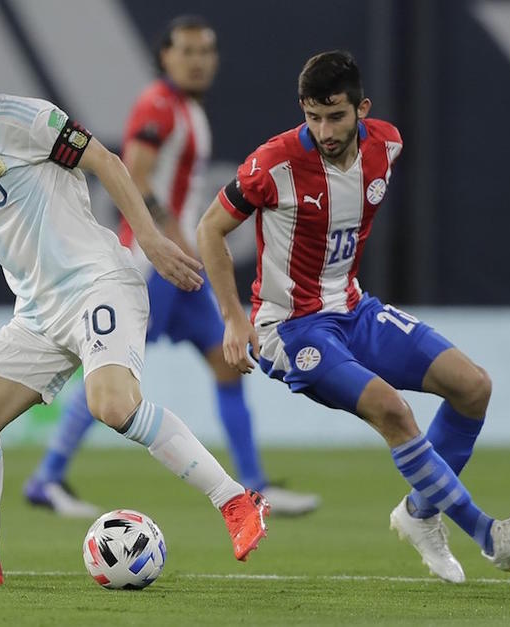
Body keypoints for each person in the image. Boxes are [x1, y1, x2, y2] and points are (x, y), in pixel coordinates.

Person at [0, 37, 269, 586]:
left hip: (99, 283)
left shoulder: (28, 120)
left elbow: (105, 160)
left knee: (112, 405)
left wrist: (151, 238)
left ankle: (236, 500)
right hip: (38, 313)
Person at [195, 49, 510, 583]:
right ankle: (489, 536)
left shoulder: (386, 145)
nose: (324, 130)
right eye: (313, 117)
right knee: (392, 410)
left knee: (473, 386)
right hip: (291, 328)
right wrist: (232, 317)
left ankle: (420, 514)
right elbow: (209, 228)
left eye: (336, 116)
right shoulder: (274, 164)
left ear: (362, 108)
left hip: (355, 310)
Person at [23, 15, 320, 519]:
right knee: (109, 370)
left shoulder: (187, 110)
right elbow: (135, 175)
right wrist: (171, 239)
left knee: (227, 363)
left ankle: (254, 486)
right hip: (154, 265)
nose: (197, 61)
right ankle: (47, 478)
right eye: (187, 51)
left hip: (180, 267)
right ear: (165, 56)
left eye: (205, 52)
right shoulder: (159, 104)